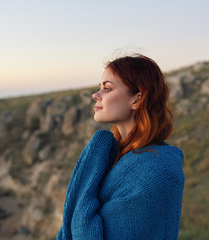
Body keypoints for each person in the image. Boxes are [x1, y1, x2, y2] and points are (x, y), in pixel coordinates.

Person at [56, 53, 185, 239]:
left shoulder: (156, 169)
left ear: (137, 99)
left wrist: (92, 157)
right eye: (99, 87)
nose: (95, 95)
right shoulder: (117, 157)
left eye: (107, 89)